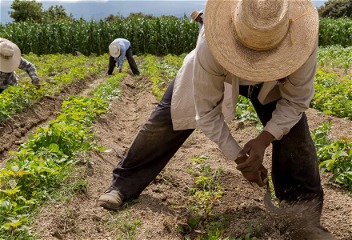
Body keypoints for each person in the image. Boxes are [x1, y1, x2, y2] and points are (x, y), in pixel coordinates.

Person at [99, 0, 325, 231]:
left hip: (274, 83)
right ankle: (123, 185)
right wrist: (242, 160)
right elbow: (205, 113)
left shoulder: (302, 39)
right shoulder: (211, 42)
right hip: (220, 69)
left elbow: (296, 101)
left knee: (295, 136)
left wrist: (264, 138)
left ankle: (303, 215)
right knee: (167, 120)